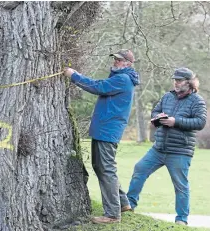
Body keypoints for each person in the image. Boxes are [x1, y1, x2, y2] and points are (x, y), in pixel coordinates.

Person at [63, 49, 139, 224]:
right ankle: (123, 203)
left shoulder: (122, 79)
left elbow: (98, 87)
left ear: (128, 64)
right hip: (105, 129)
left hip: (108, 130)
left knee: (106, 169)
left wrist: (74, 76)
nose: (115, 62)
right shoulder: (119, 77)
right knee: (101, 167)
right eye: (115, 59)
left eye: (119, 60)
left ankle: (112, 214)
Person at [127, 67, 207, 225]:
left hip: (180, 151)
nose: (176, 83)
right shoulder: (167, 96)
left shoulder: (197, 101)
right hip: (158, 148)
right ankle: (129, 206)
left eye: (179, 80)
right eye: (175, 80)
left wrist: (175, 121)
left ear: (189, 82)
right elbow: (155, 112)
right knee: (139, 169)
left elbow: (200, 122)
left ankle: (182, 220)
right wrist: (158, 117)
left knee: (180, 186)